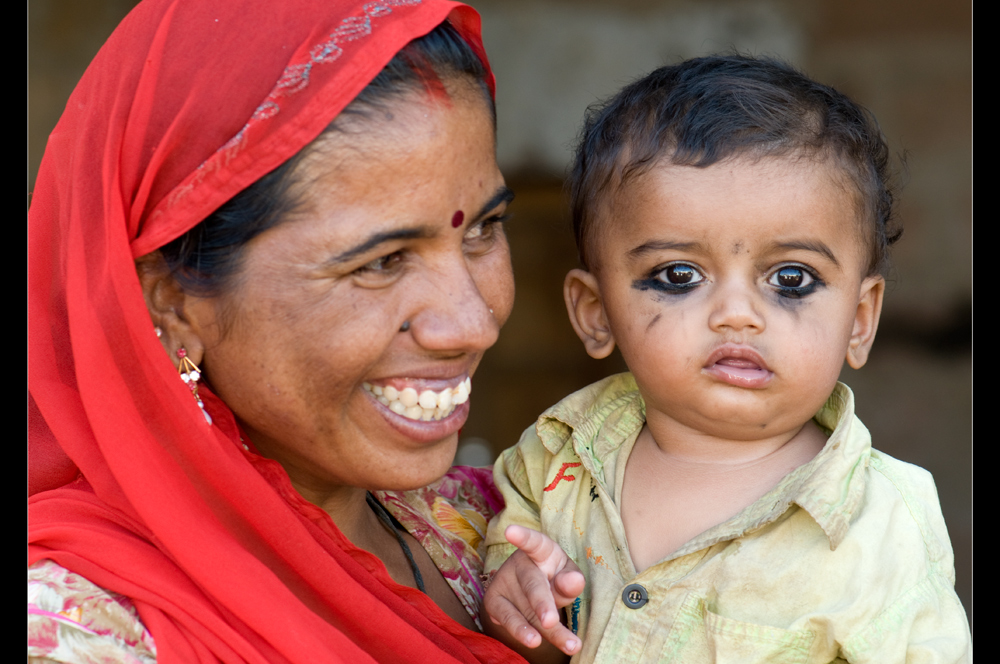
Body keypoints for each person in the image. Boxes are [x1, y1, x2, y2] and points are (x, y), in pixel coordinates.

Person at [28, 0, 529, 661]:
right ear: (173, 301)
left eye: (484, 229)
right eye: (380, 262)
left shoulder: (512, 532)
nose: (472, 324)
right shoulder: (80, 635)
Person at [480, 55, 972, 663]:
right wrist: (517, 606)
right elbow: (513, 596)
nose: (737, 313)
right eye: (679, 275)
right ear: (595, 311)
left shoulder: (882, 524)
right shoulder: (554, 462)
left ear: (861, 320)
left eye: (792, 278)